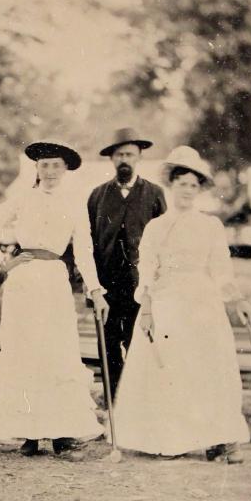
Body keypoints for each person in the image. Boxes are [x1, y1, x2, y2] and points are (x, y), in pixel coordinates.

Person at [113, 146, 251, 460]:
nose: (188, 190)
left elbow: (221, 269)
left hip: (203, 302)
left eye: (193, 185)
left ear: (199, 189)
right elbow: (147, 270)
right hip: (167, 302)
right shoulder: (156, 227)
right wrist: (146, 309)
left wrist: (237, 298)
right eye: (182, 184)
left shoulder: (210, 226)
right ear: (171, 186)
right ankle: (170, 438)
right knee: (172, 368)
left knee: (209, 366)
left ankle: (220, 441)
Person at [0, 140, 108, 456]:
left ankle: (61, 434)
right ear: (36, 168)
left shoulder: (75, 204)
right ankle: (29, 435)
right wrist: (2, 262)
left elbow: (85, 252)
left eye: (56, 165)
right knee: (25, 351)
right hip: (24, 281)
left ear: (65, 169)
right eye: (44, 165)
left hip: (54, 281)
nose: (50, 171)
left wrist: (96, 290)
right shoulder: (22, 199)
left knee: (57, 353)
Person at [87, 127, 167, 391]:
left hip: (139, 286)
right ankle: (113, 403)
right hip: (107, 285)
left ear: (139, 157)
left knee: (139, 345)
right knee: (108, 347)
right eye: (120, 154)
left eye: (130, 154)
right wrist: (91, 285)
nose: (125, 160)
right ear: (112, 159)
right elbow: (87, 242)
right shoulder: (98, 196)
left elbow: (165, 242)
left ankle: (136, 405)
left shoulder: (154, 194)